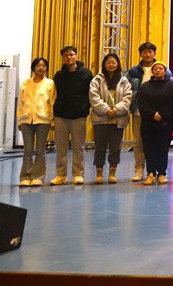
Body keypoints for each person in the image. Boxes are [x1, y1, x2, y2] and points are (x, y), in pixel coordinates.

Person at [127, 42, 171, 182]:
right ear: (140, 54)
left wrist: (160, 113)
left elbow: (170, 92)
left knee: (158, 144)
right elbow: (127, 90)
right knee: (139, 142)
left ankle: (160, 171)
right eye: (144, 52)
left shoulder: (165, 70)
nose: (147, 54)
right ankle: (139, 169)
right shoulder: (133, 71)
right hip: (139, 111)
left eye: (150, 51)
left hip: (160, 114)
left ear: (154, 53)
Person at [50, 46, 93, 185]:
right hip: (61, 115)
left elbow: (92, 93)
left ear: (76, 56)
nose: (69, 57)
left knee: (78, 147)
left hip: (79, 115)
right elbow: (54, 94)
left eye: (72, 54)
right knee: (60, 147)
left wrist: (85, 107)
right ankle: (61, 175)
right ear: (62, 58)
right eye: (66, 55)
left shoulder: (86, 73)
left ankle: (78, 174)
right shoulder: (58, 75)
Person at [89, 53, 132, 184]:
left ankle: (113, 172)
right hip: (100, 118)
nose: (111, 65)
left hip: (118, 119)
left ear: (118, 64)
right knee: (100, 147)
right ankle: (99, 172)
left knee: (115, 147)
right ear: (104, 64)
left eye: (113, 62)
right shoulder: (96, 80)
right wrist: (107, 110)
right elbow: (93, 97)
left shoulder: (124, 80)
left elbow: (128, 97)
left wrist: (117, 110)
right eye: (108, 63)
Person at [136, 61, 173, 185]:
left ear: (165, 71)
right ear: (152, 71)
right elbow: (141, 103)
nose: (158, 70)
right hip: (148, 122)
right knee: (149, 149)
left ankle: (162, 174)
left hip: (165, 123)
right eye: (155, 69)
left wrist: (162, 114)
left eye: (161, 68)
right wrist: (153, 114)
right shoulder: (144, 86)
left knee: (162, 149)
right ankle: (151, 173)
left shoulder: (171, 86)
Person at [17, 57, 56, 187]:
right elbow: (20, 103)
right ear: (33, 68)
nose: (41, 68)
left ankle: (37, 176)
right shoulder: (26, 83)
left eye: (43, 66)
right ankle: (25, 177)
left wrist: (52, 120)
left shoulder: (50, 83)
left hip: (43, 120)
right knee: (27, 150)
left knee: (40, 150)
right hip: (26, 120)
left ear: (46, 68)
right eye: (38, 65)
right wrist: (19, 120)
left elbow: (53, 103)